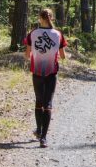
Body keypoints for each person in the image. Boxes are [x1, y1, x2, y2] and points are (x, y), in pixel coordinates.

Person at [23, 8, 67, 148]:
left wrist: (37, 56)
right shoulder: (58, 34)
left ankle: (39, 129)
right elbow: (63, 56)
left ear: (39, 18)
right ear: (52, 18)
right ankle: (43, 138)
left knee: (39, 101)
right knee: (48, 104)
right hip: (52, 72)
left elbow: (27, 55)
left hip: (36, 72)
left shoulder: (32, 34)